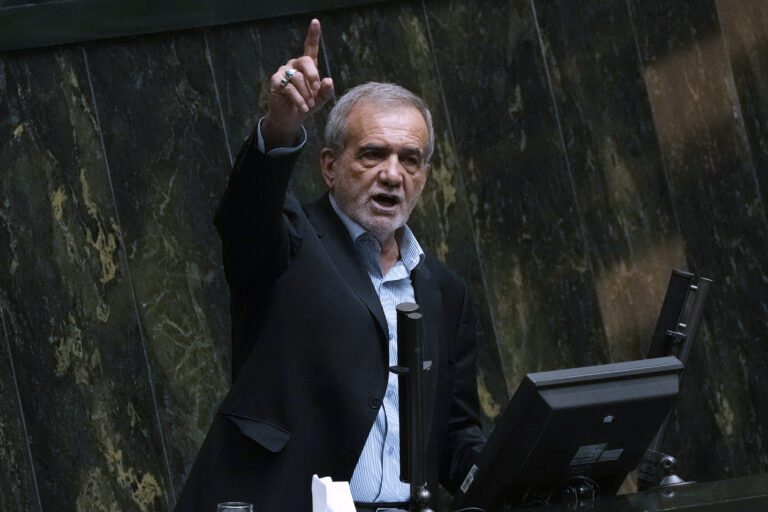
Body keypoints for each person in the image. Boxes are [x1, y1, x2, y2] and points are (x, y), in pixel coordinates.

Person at [175, 19, 484, 512]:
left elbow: (454, 434)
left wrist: (524, 470)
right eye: (373, 154)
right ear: (329, 165)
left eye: (410, 159)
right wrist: (280, 126)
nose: (392, 174)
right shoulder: (291, 238)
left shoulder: (444, 290)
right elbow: (245, 216)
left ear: (425, 176)